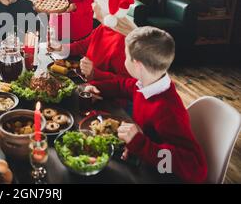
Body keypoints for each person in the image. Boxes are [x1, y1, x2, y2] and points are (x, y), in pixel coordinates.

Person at [87, 27, 207, 183]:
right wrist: (98, 88)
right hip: (145, 160)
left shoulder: (167, 110)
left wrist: (140, 143)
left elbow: (196, 169)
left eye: (126, 57)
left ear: (137, 65)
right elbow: (124, 86)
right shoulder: (147, 83)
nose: (124, 60)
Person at [48, 0, 137, 82]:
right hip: (88, 81)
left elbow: (127, 83)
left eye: (95, 2)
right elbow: (84, 45)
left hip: (100, 91)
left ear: (104, 9)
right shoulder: (104, 27)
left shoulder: (122, 41)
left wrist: (94, 73)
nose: (92, 5)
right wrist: (61, 48)